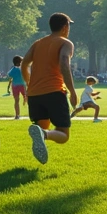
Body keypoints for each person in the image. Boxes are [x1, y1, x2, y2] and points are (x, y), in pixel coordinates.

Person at [22, 13, 78, 164]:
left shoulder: (37, 43)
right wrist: (72, 91)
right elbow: (64, 63)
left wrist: (29, 84)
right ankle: (44, 135)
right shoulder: (65, 43)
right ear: (65, 27)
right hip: (54, 92)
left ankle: (42, 136)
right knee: (63, 135)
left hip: (34, 95)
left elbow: (24, 64)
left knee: (43, 128)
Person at [5, 55, 27, 119]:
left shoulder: (13, 70)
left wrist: (8, 87)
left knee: (16, 101)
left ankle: (17, 115)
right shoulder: (22, 69)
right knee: (27, 98)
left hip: (15, 86)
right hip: (23, 85)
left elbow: (10, 78)